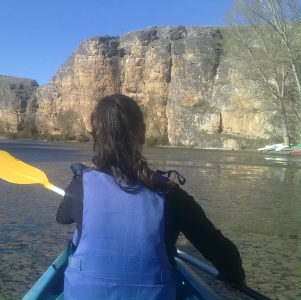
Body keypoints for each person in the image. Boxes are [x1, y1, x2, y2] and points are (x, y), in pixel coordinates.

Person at [56, 94, 245, 299]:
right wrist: (233, 274)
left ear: (96, 138)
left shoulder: (80, 184)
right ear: (142, 134)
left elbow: (62, 218)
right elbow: (217, 247)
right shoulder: (170, 193)